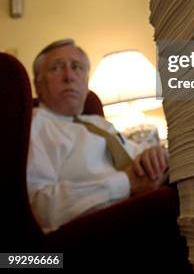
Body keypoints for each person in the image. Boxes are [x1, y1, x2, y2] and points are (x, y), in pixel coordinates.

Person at [27, 39, 170, 234]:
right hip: (95, 231)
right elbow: (41, 207)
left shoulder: (100, 123)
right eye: (56, 68)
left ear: (86, 82)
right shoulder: (33, 125)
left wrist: (155, 155)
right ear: (38, 85)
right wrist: (126, 183)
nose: (69, 76)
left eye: (77, 67)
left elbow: (139, 156)